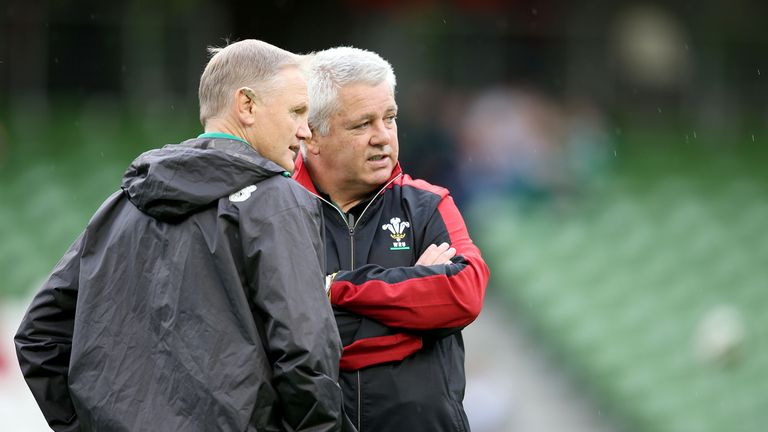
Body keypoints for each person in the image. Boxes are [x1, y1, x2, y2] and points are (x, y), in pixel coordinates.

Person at [15, 39, 348, 432]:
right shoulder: (278, 201)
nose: (305, 131)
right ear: (246, 106)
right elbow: (306, 352)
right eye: (296, 111)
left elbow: (39, 335)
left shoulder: (123, 203)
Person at [293, 46, 490, 431]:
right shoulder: (275, 211)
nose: (382, 137)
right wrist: (412, 313)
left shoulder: (428, 205)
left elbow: (463, 294)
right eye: (362, 124)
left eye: (390, 118)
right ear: (312, 135)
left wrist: (336, 289)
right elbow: (284, 334)